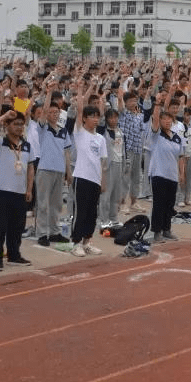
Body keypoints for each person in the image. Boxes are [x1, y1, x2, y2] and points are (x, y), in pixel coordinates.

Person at [0, 110, 34, 270]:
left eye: (21, 124)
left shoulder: (27, 146)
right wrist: (5, 116)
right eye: (15, 124)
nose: (19, 127)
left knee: (17, 227)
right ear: (7, 126)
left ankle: (14, 255)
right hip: (2, 192)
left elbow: (30, 168)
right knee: (0, 228)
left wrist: (29, 189)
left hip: (20, 193)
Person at [69, 87, 108, 257]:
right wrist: (81, 89)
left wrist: (102, 181)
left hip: (95, 180)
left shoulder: (100, 138)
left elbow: (102, 161)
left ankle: (87, 242)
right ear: (84, 119)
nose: (95, 119)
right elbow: (79, 109)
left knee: (92, 213)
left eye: (97, 116)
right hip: (81, 177)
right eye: (91, 116)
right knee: (81, 211)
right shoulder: (80, 132)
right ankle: (75, 242)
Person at [35, 82, 72, 247]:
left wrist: (68, 172)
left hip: (59, 171)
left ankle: (54, 232)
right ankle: (42, 234)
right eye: (51, 112)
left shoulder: (63, 130)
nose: (54, 114)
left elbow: (67, 153)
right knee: (43, 203)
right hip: (44, 170)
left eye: (57, 112)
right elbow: (42, 113)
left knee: (56, 204)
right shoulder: (42, 128)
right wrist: (49, 92)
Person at [147, 93, 183, 243]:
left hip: (172, 175)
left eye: (169, 119)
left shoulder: (176, 137)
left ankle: (167, 229)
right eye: (164, 119)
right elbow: (155, 121)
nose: (167, 121)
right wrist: (157, 104)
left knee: (169, 204)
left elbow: (181, 157)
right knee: (159, 204)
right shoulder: (156, 134)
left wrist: (181, 174)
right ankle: (157, 232)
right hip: (158, 174)